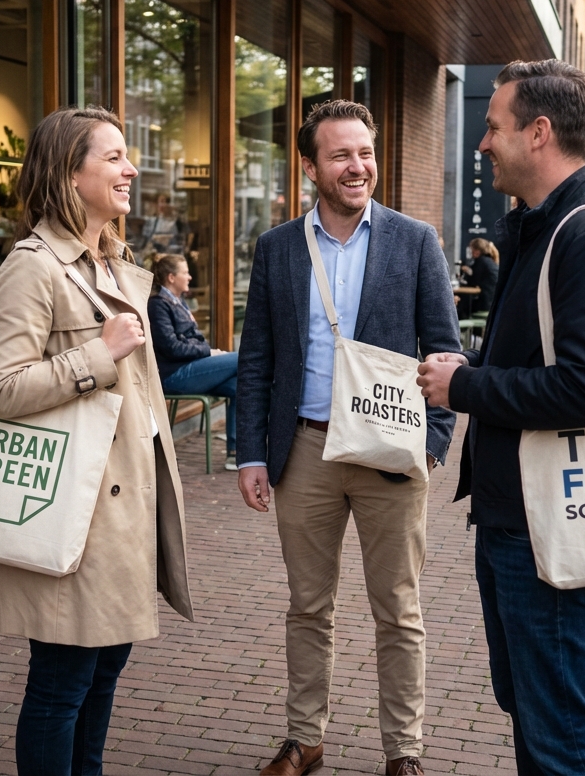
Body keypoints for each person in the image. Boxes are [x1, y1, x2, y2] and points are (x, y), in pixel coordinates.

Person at [415, 59, 585, 775]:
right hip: (521, 518)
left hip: (553, 526)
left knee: (563, 737)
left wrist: (468, 387)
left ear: (539, 132)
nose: (482, 144)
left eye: (493, 127)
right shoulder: (541, 230)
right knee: (535, 711)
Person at [237, 99, 460, 776]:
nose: (357, 166)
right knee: (308, 606)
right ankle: (305, 739)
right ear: (311, 167)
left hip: (392, 451)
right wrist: (250, 452)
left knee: (398, 609)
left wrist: (432, 442)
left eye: (364, 152)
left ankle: (405, 751)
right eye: (340, 155)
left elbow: (446, 352)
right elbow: (257, 359)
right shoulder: (277, 248)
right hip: (303, 451)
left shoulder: (414, 240)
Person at [0, 106, 193, 775]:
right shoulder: (33, 265)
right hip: (75, 516)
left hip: (124, 513)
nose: (130, 169)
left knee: (103, 675)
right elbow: (4, 388)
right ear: (69, 174)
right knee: (61, 685)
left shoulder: (114, 261)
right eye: (113, 157)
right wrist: (97, 356)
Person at [147, 253, 239, 471]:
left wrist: (206, 351)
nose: (190, 277)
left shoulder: (179, 302)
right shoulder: (158, 305)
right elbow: (171, 347)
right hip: (173, 375)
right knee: (244, 359)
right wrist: (208, 352)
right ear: (171, 277)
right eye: (185, 272)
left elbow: (190, 340)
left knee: (241, 385)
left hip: (191, 368)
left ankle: (236, 454)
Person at [458, 237, 499, 316]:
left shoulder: (481, 262)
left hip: (485, 302)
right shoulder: (490, 261)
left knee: (461, 307)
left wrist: (466, 273)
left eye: (472, 249)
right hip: (493, 302)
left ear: (477, 251)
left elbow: (473, 282)